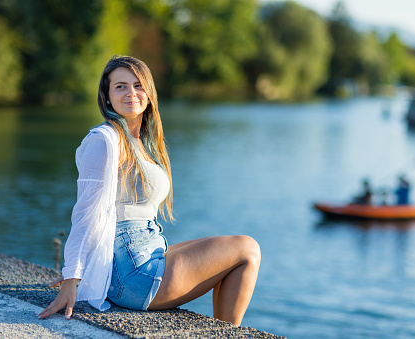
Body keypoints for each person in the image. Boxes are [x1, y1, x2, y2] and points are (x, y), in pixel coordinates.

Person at [37, 55, 261, 326]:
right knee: (247, 249)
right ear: (107, 97)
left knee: (223, 248)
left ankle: (223, 331)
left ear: (149, 93)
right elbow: (85, 211)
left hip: (142, 255)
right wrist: (72, 276)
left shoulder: (142, 143)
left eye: (138, 85)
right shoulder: (104, 141)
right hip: (133, 275)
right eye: (120, 86)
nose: (131, 92)